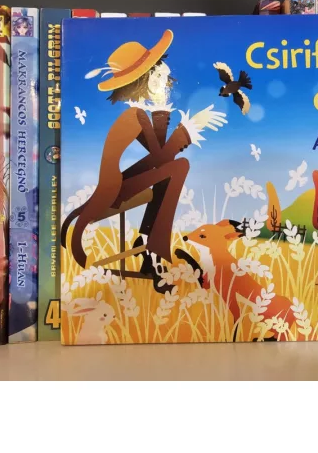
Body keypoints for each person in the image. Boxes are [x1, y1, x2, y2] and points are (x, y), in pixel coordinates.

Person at [61, 29, 227, 291]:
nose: (166, 82)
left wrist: (162, 109)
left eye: (164, 76)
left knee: (173, 169)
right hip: (113, 189)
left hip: (122, 181)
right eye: (158, 76)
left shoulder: (139, 115)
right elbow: (162, 157)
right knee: (179, 167)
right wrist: (189, 128)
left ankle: (149, 248)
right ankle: (154, 253)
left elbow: (157, 159)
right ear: (144, 80)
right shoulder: (135, 116)